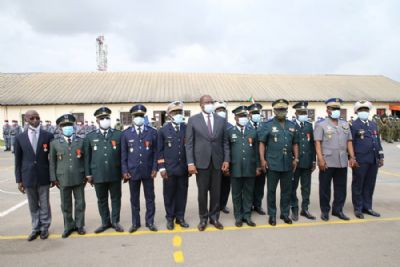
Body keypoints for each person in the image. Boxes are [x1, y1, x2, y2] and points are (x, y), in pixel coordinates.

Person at [185, 95, 230, 231]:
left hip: (217, 162)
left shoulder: (221, 120)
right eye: (207, 102)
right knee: (202, 192)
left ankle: (214, 217)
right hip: (201, 162)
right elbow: (189, 144)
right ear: (201, 105)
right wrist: (190, 163)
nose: (210, 104)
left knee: (216, 192)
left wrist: (226, 160)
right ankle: (203, 218)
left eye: (211, 102)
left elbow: (225, 142)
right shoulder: (193, 120)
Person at [314, 98, 357, 221]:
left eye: (338, 109)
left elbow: (349, 142)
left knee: (341, 188)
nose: (336, 111)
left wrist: (352, 157)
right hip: (327, 161)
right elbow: (317, 143)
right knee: (325, 188)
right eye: (333, 109)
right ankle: (325, 211)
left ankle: (338, 210)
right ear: (328, 110)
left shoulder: (345, 124)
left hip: (342, 160)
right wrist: (320, 159)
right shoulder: (321, 124)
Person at [14, 110, 54, 241]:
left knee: (44, 203)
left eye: (37, 117)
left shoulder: (48, 135)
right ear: (26, 120)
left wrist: (53, 176)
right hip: (28, 176)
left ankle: (44, 228)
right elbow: (18, 161)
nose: (35, 120)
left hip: (43, 174)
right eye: (32, 118)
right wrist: (19, 180)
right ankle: (35, 228)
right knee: (32, 204)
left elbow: (52, 158)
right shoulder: (20, 138)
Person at [258, 99, 299, 226]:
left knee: (286, 190)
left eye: (283, 109)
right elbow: (262, 143)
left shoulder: (292, 125)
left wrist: (296, 158)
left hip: (287, 163)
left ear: (287, 111)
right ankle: (272, 215)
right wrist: (262, 160)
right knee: (271, 191)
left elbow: (295, 143)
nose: (281, 112)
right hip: (272, 163)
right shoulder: (267, 125)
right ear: (274, 111)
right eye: (279, 110)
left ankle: (285, 214)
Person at [84, 107, 124, 233]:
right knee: (102, 199)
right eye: (102, 118)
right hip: (98, 174)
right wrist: (88, 174)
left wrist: (123, 171)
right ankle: (105, 222)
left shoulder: (118, 134)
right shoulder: (90, 137)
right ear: (97, 121)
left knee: (116, 198)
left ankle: (115, 221)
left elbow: (123, 155)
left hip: (115, 172)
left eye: (107, 118)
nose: (105, 120)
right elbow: (87, 157)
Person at [121, 104, 158, 232]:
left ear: (144, 117)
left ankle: (150, 222)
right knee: (134, 199)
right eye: (136, 116)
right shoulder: (126, 134)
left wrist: (155, 168)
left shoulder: (152, 132)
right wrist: (124, 171)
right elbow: (123, 154)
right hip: (132, 172)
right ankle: (135, 223)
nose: (139, 118)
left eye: (141, 116)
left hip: (148, 171)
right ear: (132, 117)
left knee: (150, 198)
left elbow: (155, 153)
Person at [49, 114, 86, 238]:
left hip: (79, 176)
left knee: (80, 203)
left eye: (69, 125)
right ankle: (68, 226)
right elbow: (52, 162)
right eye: (64, 126)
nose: (67, 127)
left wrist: (86, 175)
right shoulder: (55, 143)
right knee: (65, 204)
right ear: (60, 128)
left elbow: (85, 160)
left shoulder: (81, 141)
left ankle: (80, 225)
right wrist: (53, 178)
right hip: (63, 178)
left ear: (74, 126)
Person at [157, 101, 190, 230]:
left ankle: (180, 217)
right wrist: (162, 168)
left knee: (182, 193)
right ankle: (170, 218)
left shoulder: (186, 128)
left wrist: (190, 165)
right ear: (169, 115)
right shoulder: (163, 130)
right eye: (175, 112)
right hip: (169, 169)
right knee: (169, 194)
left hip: (183, 168)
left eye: (180, 112)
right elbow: (159, 151)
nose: (178, 115)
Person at [228, 105, 261, 227]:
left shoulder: (252, 132)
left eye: (245, 116)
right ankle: (238, 216)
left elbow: (257, 151)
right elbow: (227, 150)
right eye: (240, 116)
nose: (243, 118)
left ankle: (247, 216)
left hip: (250, 168)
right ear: (235, 117)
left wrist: (258, 166)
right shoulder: (230, 132)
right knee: (236, 193)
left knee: (248, 193)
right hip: (235, 168)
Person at [351, 100, 384, 219]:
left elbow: (377, 141)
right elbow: (351, 144)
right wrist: (352, 158)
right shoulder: (354, 125)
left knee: (370, 184)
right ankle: (358, 208)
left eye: (366, 110)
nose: (364, 112)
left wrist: (381, 156)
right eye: (361, 110)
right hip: (360, 159)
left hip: (373, 159)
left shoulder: (373, 124)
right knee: (358, 184)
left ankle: (367, 207)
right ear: (357, 112)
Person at [290, 101, 316, 221]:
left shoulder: (309, 125)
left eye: (304, 112)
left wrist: (314, 160)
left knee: (306, 187)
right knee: (292, 187)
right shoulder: (291, 125)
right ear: (296, 113)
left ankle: (305, 209)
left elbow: (312, 144)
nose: (303, 114)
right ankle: (294, 208)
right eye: (300, 112)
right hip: (295, 163)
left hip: (307, 162)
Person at [247, 103, 267, 215]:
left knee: (260, 185)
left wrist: (263, 161)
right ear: (249, 114)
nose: (256, 115)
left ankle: (258, 205)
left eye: (257, 113)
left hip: (262, 161)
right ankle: (248, 206)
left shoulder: (264, 126)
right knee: (249, 186)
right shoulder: (246, 126)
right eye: (254, 113)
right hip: (249, 162)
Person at [214, 100, 233, 214]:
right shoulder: (212, 126)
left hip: (227, 160)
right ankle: (215, 205)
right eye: (219, 110)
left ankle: (223, 205)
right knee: (215, 186)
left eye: (223, 110)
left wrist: (229, 161)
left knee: (226, 185)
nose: (221, 112)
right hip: (215, 160)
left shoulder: (230, 127)